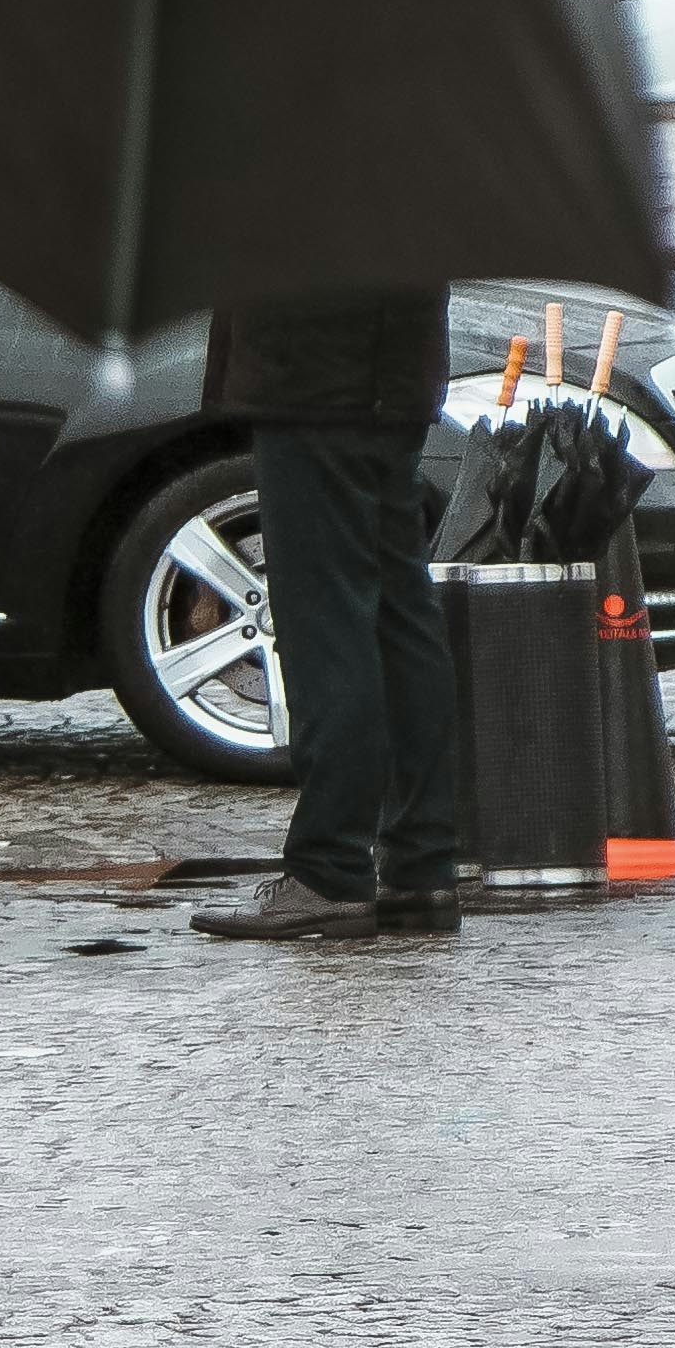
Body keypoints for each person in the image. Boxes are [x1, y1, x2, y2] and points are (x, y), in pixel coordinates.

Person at [186, 290, 461, 942]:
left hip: (315, 371)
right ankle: (420, 865)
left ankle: (330, 870)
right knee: (398, 607)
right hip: (386, 370)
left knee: (326, 620)